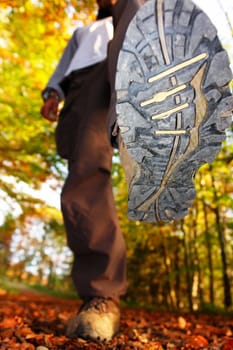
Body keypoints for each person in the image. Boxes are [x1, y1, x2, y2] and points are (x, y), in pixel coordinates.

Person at [41, 0, 233, 343]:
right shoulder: (83, 32)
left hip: (125, 63)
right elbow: (62, 69)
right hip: (83, 88)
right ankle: (101, 296)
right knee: (83, 176)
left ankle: (156, 97)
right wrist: (53, 92)